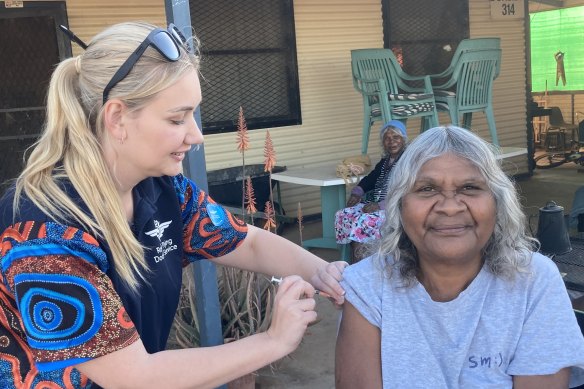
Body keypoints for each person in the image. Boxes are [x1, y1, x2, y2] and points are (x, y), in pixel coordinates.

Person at [0, 22, 347, 388]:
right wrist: (272, 341)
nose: (196, 135)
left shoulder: (164, 190)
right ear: (117, 118)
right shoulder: (42, 234)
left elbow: (246, 241)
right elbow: (133, 377)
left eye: (193, 115)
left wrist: (322, 273)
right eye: (176, 118)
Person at [335, 126, 584, 388]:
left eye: (469, 187)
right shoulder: (367, 286)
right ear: (399, 206)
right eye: (427, 189)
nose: (450, 207)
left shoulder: (533, 280)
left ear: (497, 204)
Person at [334, 120, 407, 261]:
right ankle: (350, 259)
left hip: (394, 209)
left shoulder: (407, 160)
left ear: (403, 139)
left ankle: (359, 265)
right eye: (387, 138)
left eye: (396, 137)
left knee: (363, 221)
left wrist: (379, 206)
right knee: (344, 214)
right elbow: (371, 178)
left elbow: (406, 191)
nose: (391, 141)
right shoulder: (385, 161)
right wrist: (357, 192)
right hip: (378, 206)